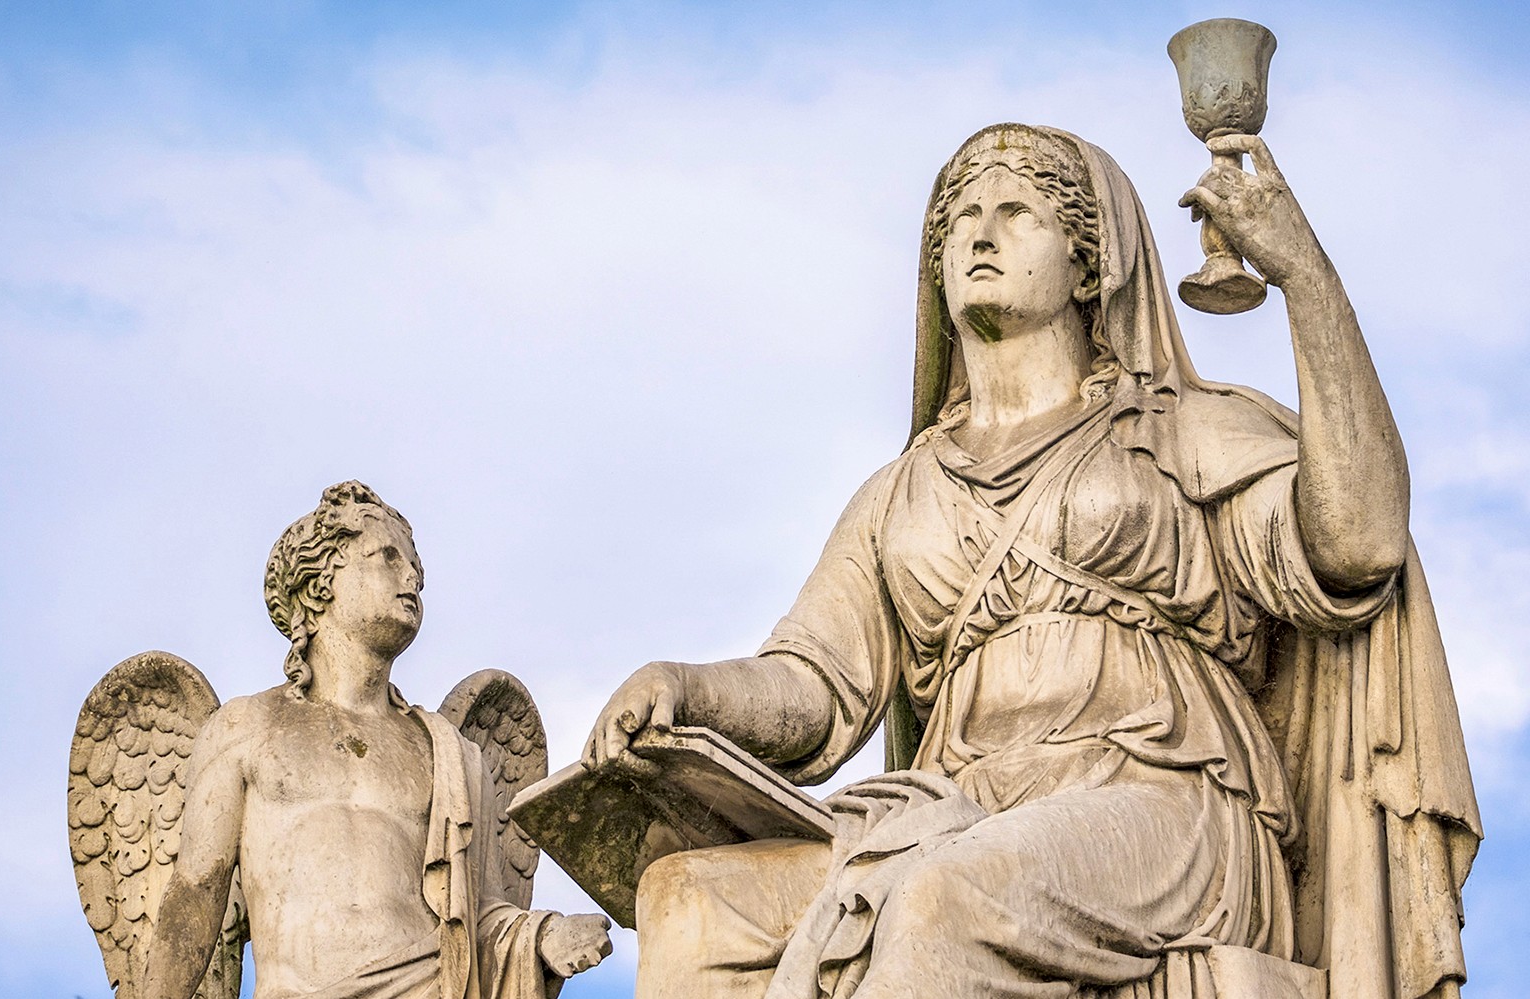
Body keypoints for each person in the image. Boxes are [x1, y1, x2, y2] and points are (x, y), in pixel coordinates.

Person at [583, 125, 1478, 999]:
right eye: (960, 220)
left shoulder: (1179, 429)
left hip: (1160, 799)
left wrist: (1305, 277)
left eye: (1018, 213)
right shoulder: (903, 491)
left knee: (947, 898)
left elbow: (1358, 544)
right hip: (950, 810)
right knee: (689, 901)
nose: (980, 233)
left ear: (1089, 266)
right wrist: (685, 687)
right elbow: (813, 683)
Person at [144, 481, 611, 999]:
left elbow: (483, 918)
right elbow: (195, 894)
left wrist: (543, 936)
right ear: (319, 586)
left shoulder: (450, 753)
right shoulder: (246, 729)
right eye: (386, 557)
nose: (410, 577)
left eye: (415, 569)